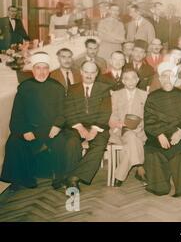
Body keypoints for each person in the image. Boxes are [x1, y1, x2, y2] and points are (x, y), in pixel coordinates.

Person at [0, 53, 66, 190]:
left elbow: (63, 111)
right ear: (33, 70)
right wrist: (25, 130)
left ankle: (58, 177)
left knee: (61, 142)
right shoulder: (25, 87)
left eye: (45, 68)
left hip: (51, 128)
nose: (41, 72)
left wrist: (57, 125)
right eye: (38, 68)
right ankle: (21, 178)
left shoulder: (57, 87)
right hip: (30, 128)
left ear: (49, 70)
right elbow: (17, 114)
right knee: (14, 142)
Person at [143, 62, 181, 197]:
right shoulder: (152, 97)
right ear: (160, 79)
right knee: (153, 152)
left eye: (170, 76)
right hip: (158, 134)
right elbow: (149, 119)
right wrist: (159, 134)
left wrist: (180, 132)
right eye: (164, 76)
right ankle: (160, 187)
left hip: (179, 133)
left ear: (175, 79)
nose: (167, 79)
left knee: (180, 153)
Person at [59, 61, 112, 191]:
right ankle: (71, 176)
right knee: (71, 142)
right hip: (76, 126)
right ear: (81, 72)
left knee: (99, 144)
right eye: (86, 72)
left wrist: (94, 130)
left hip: (98, 126)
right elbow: (68, 110)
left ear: (97, 73)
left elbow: (106, 111)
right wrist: (80, 128)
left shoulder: (104, 88)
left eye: (92, 72)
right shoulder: (72, 88)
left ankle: (73, 178)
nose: (89, 75)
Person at [108, 69, 148, 186]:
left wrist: (138, 126)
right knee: (130, 136)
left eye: (133, 78)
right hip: (119, 130)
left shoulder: (144, 95)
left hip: (138, 131)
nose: (130, 81)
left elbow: (147, 116)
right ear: (123, 81)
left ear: (138, 80)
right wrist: (117, 124)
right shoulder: (116, 94)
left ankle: (119, 175)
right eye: (127, 78)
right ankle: (139, 167)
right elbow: (112, 114)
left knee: (131, 138)